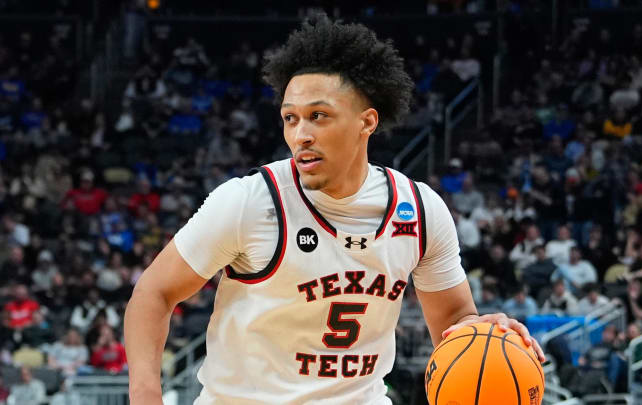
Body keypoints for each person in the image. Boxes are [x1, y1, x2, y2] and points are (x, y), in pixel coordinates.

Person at [124, 15, 544, 405]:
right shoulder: (251, 201)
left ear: (367, 122)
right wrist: (145, 393)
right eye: (291, 119)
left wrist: (483, 332)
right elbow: (154, 292)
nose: (300, 134)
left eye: (318, 116)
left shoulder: (419, 210)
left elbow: (452, 321)